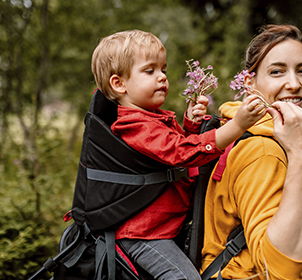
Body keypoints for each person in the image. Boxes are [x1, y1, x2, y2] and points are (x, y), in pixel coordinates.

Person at [90, 29, 267, 280]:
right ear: (119, 84)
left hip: (164, 227)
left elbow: (168, 150)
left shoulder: (151, 118)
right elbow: (179, 153)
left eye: (163, 69)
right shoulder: (133, 125)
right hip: (145, 235)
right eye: (150, 71)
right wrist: (237, 125)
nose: (162, 77)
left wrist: (192, 126)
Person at [201, 24, 302, 279]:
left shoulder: (235, 129)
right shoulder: (263, 150)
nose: (294, 84)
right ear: (250, 82)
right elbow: (278, 271)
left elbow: (240, 221)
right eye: (277, 71)